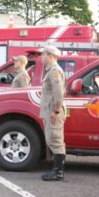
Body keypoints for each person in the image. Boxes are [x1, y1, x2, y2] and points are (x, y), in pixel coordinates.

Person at [39, 46, 67, 181]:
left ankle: (58, 172)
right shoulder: (50, 71)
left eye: (43, 54)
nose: (41, 57)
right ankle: (56, 171)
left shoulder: (54, 71)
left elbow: (58, 93)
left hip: (53, 111)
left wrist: (56, 111)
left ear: (50, 56)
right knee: (53, 139)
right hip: (50, 111)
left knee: (55, 140)